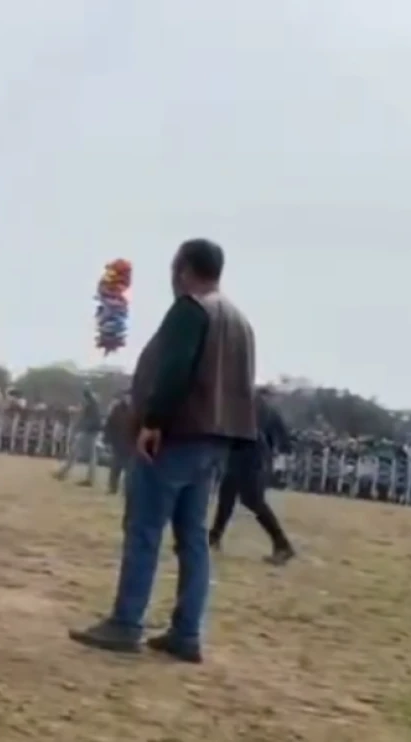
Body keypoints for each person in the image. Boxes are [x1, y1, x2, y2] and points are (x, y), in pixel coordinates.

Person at [69, 238, 256, 664]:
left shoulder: (191, 309)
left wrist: (153, 422)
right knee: (193, 538)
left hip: (177, 436)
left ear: (183, 269)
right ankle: (187, 632)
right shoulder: (239, 320)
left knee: (144, 530)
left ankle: (127, 622)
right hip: (215, 442)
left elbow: (175, 369)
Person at [209, 387, 296, 564]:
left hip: (247, 454)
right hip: (251, 455)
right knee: (227, 495)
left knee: (251, 499)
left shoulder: (244, 402)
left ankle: (282, 544)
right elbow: (285, 442)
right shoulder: (269, 410)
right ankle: (214, 537)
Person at [56, 388, 102, 486]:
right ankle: (90, 479)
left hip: (89, 431)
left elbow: (82, 414)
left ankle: (63, 473)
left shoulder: (90, 404)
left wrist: (79, 426)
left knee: (75, 451)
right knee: (91, 455)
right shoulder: (93, 404)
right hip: (93, 431)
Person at [103, 392, 133, 495]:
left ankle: (127, 490)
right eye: (126, 397)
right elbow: (109, 424)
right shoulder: (117, 409)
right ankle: (112, 488)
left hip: (130, 445)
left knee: (129, 471)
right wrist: (107, 440)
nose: (127, 399)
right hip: (118, 443)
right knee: (115, 468)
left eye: (129, 397)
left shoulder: (136, 409)